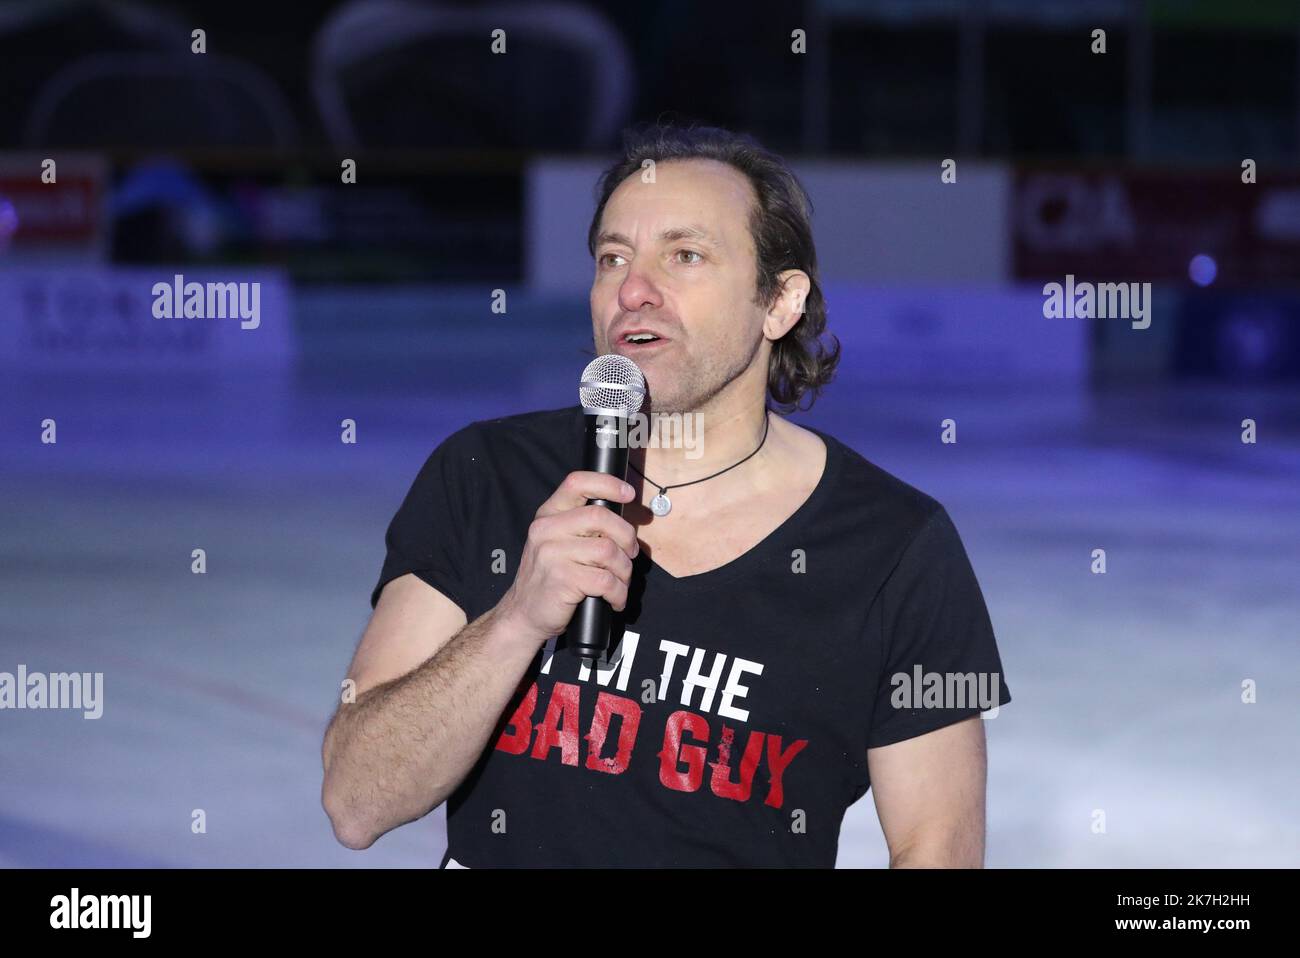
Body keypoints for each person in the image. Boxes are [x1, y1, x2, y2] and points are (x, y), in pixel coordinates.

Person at [320, 122, 1011, 868]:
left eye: (685, 255)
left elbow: (936, 848)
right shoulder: (486, 472)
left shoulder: (895, 546)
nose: (634, 290)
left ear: (779, 303)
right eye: (612, 258)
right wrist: (517, 619)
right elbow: (357, 802)